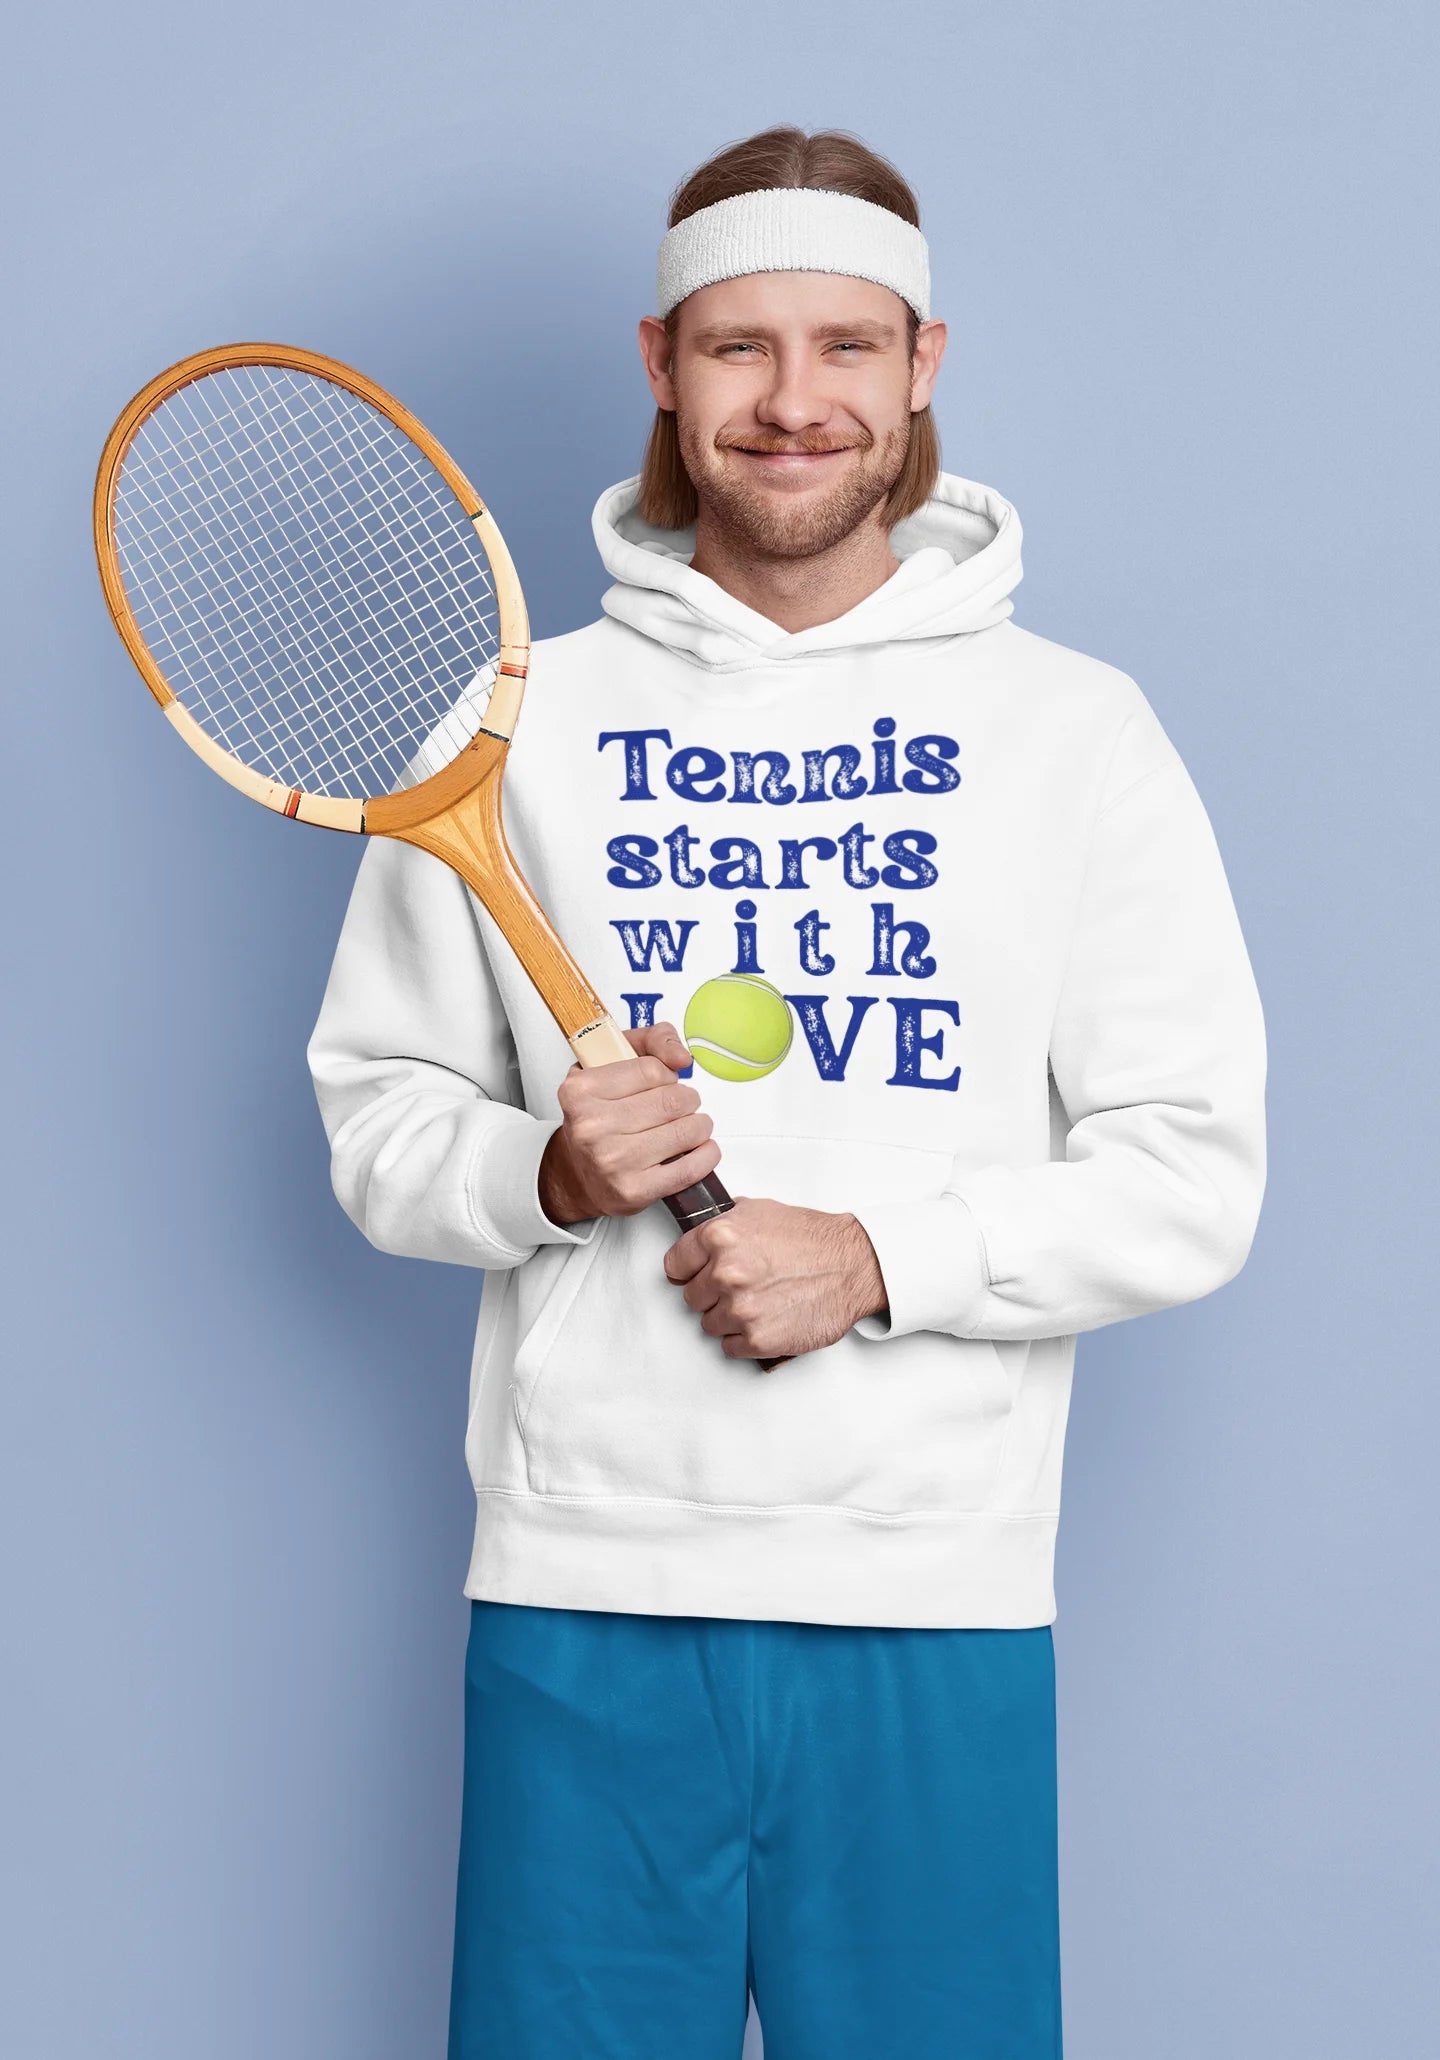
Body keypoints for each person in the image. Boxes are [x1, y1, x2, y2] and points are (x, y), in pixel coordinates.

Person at [308, 125, 1267, 2060]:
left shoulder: (1074, 734)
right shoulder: (515, 726)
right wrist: (548, 1175)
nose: (795, 403)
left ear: (925, 367)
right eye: (741, 350)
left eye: (848, 347)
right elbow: (380, 1122)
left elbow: (1192, 1175)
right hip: (583, 1590)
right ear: (661, 367)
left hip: (937, 1602)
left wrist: (882, 1257)